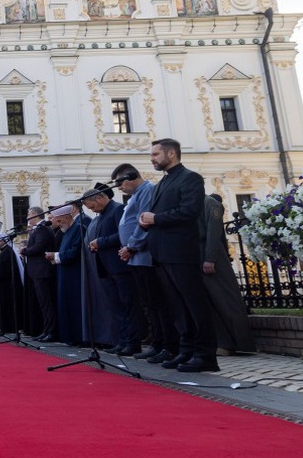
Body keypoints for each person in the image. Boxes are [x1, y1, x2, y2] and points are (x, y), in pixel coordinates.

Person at [139, 138, 218, 373]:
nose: (152, 158)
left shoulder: (190, 178)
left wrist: (157, 219)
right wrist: (146, 222)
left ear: (171, 153)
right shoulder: (163, 182)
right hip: (162, 252)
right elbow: (160, 214)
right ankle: (186, 350)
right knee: (177, 305)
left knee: (193, 303)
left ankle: (205, 355)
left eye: (155, 154)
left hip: (180, 251)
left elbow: (190, 210)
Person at [113, 163, 177, 362]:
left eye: (120, 183)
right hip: (136, 257)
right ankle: (157, 342)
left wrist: (131, 246)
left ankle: (167, 344)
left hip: (145, 255)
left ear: (131, 177)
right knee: (149, 303)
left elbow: (143, 223)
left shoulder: (147, 191)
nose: (119, 188)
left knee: (157, 303)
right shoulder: (135, 196)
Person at [83, 183, 140, 356]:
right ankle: (122, 341)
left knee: (128, 306)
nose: (93, 210)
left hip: (120, 266)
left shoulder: (117, 210)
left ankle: (133, 342)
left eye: (92, 206)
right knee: (117, 307)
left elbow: (122, 235)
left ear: (100, 198)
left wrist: (100, 242)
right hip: (107, 267)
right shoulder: (101, 215)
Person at [201, 194, 254, 354]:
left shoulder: (210, 203)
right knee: (211, 302)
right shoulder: (192, 203)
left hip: (213, 259)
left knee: (225, 300)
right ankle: (223, 342)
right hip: (200, 258)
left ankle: (239, 343)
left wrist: (210, 257)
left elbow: (213, 233)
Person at [48, 204, 83, 345]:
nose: (58, 224)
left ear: (67, 218)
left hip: (74, 273)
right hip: (64, 272)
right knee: (65, 305)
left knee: (74, 305)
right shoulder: (66, 231)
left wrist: (55, 256)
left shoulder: (78, 229)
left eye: (60, 221)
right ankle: (68, 336)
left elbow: (74, 252)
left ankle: (78, 337)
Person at [21, 207, 56, 341]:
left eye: (29, 214)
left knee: (47, 303)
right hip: (38, 272)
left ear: (35, 214)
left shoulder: (42, 229)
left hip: (43, 272)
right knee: (43, 304)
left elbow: (39, 247)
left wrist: (25, 250)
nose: (27, 217)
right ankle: (46, 329)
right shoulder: (39, 229)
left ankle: (51, 331)